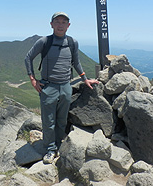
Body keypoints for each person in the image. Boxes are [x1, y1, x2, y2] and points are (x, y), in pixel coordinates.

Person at [24, 12, 99, 164]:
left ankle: (58, 144)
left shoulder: (72, 42)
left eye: (64, 22)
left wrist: (85, 79)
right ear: (51, 24)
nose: (60, 24)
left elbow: (76, 63)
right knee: (48, 121)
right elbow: (28, 58)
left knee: (61, 119)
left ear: (68, 25)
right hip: (48, 86)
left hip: (66, 86)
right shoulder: (44, 41)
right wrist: (33, 79)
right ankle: (50, 149)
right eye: (57, 21)